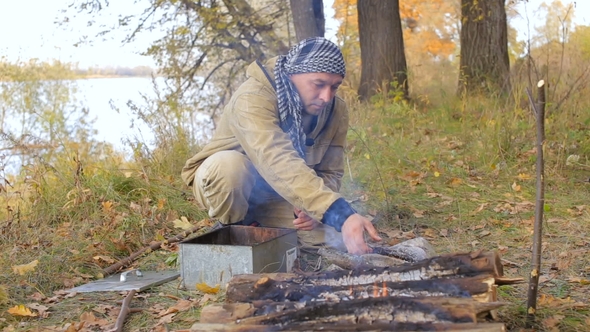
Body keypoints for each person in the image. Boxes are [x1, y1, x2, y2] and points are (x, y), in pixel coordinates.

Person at [181, 37, 381, 254]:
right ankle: (232, 226)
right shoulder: (253, 97)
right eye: (318, 84)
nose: (326, 96)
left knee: (335, 240)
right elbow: (276, 159)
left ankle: (262, 228)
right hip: (231, 186)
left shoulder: (336, 110)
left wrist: (314, 211)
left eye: (334, 87)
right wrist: (338, 212)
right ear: (291, 75)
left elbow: (330, 172)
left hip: (281, 195)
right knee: (229, 168)